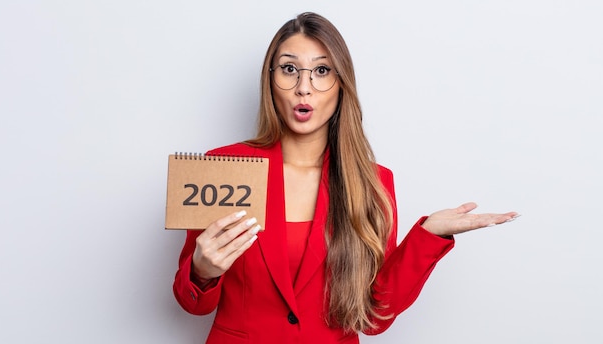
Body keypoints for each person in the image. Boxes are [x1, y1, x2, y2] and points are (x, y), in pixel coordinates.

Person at [173, 12, 518, 343]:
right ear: (269, 78)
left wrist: (427, 236)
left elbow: (374, 315)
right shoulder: (224, 167)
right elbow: (194, 303)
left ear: (341, 84)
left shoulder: (372, 182)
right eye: (289, 69)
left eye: (321, 70)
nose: (303, 88)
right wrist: (202, 271)